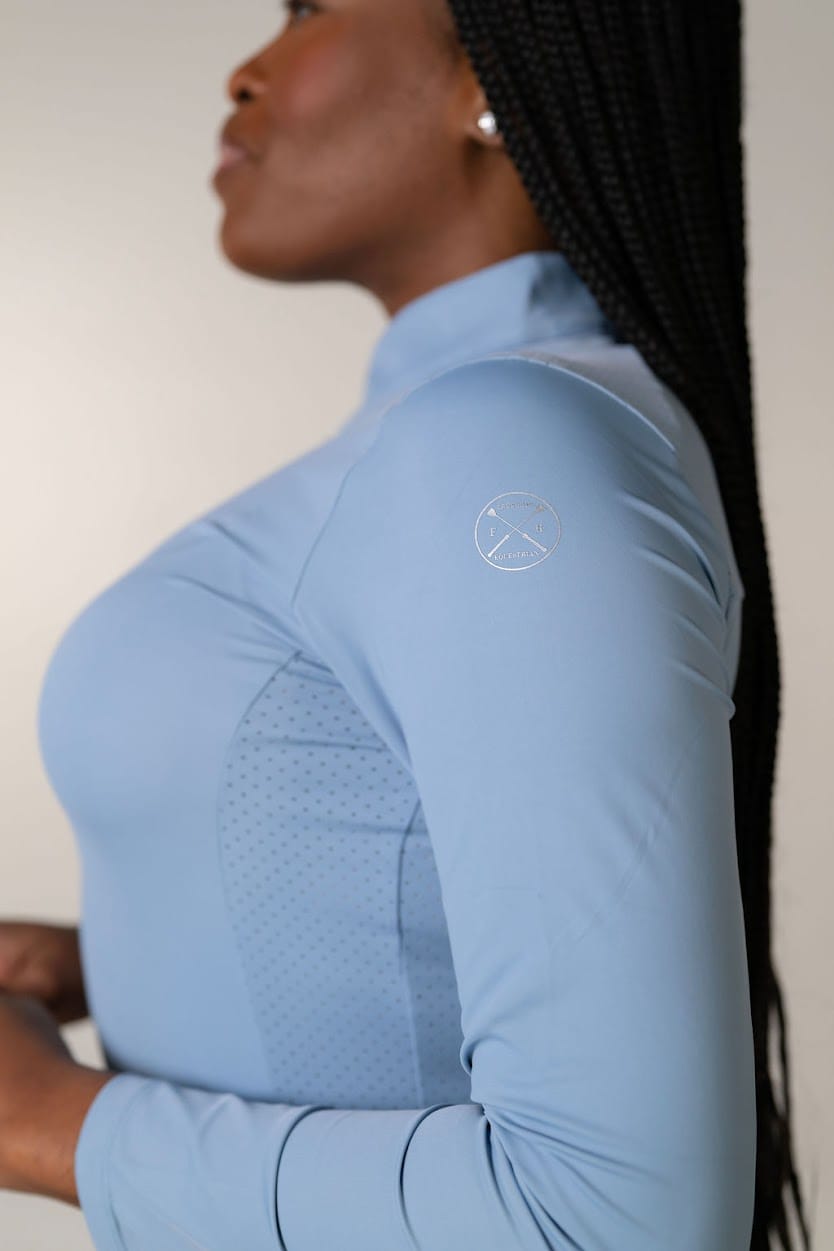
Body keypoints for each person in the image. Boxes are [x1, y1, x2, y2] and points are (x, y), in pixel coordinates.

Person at [0, 1, 810, 1248]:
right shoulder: (476, 432)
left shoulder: (508, 443)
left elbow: (614, 1221)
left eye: (311, 7)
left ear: (490, 83)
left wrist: (43, 1121)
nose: (247, 68)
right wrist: (124, 952)